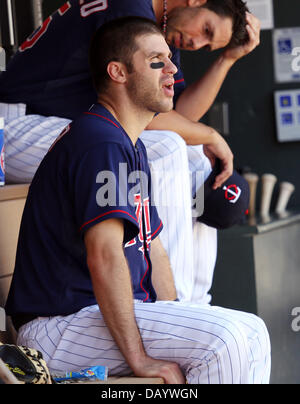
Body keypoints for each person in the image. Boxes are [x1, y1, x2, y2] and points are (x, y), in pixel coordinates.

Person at [5, 17, 270, 384]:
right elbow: (105, 254)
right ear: (118, 72)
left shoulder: (130, 146)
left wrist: (179, 318)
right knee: (224, 340)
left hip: (97, 317)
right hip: (60, 327)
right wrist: (140, 359)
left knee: (252, 330)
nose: (173, 69)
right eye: (157, 60)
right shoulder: (100, 141)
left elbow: (154, 248)